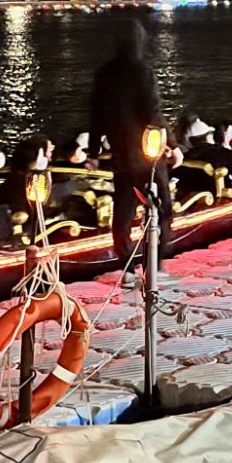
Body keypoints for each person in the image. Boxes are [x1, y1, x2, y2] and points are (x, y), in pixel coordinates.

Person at [90, 18, 172, 274]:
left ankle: (126, 267)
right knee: (162, 210)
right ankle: (154, 267)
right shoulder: (142, 71)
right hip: (147, 153)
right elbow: (153, 112)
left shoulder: (104, 73)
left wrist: (93, 152)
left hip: (120, 155)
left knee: (123, 212)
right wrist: (173, 144)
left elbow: (95, 116)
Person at [185, 118, 232, 188]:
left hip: (193, 195)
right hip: (224, 194)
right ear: (208, 136)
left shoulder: (185, 156)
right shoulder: (223, 154)